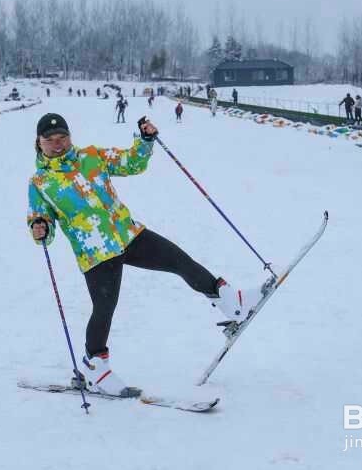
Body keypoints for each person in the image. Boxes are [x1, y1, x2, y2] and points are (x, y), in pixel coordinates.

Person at [26, 113, 258, 397]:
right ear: (39, 143)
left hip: (127, 233)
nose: (57, 144)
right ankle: (95, 368)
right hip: (95, 251)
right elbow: (41, 220)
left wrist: (146, 140)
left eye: (62, 138)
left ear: (70, 137)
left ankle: (230, 301)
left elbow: (131, 162)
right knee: (104, 309)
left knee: (179, 260)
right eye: (49, 140)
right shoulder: (40, 182)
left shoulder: (92, 156)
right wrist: (40, 227)